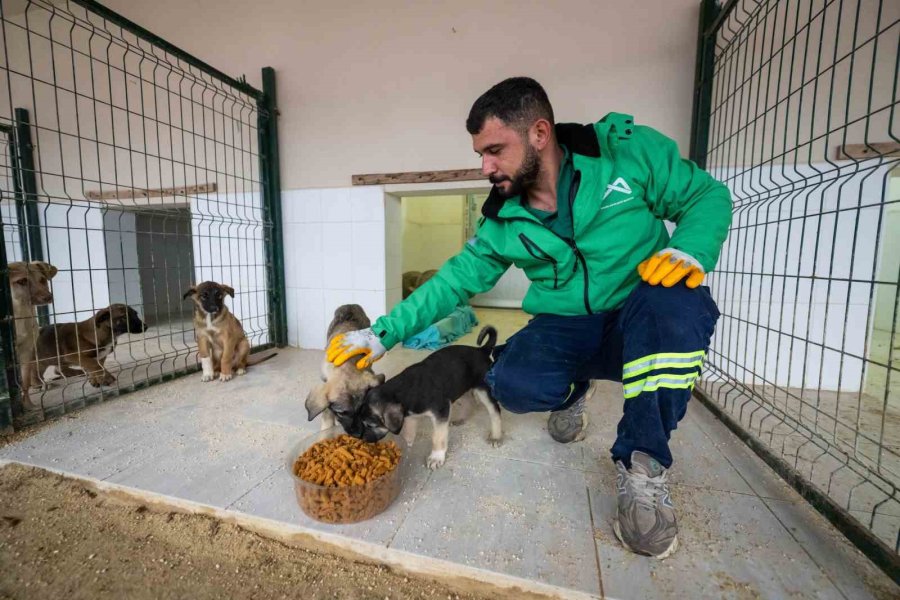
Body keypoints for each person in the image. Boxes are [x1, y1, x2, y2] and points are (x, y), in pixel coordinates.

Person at [326, 77, 731, 559]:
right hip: (568, 324)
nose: (485, 166)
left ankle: (643, 465)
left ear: (540, 133)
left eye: (495, 149)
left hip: (638, 310)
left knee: (677, 306)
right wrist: (383, 334)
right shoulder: (502, 217)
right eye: (480, 153)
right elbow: (455, 279)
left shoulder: (625, 153)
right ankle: (574, 392)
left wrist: (691, 249)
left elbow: (705, 195)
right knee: (511, 383)